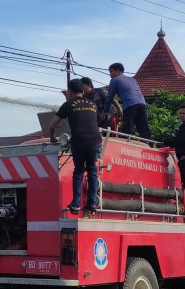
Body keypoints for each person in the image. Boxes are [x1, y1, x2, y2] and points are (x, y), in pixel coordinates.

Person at [48, 79, 102, 214]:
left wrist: (52, 138)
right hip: (95, 140)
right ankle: (92, 202)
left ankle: (76, 204)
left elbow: (52, 126)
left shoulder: (68, 104)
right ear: (83, 91)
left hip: (80, 140)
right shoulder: (92, 104)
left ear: (70, 91)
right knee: (92, 169)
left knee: (79, 171)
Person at [103, 63, 151, 139]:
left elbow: (109, 97)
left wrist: (105, 111)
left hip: (129, 105)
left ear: (117, 71)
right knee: (144, 129)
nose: (110, 74)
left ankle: (127, 144)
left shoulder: (114, 80)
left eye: (111, 71)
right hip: (142, 103)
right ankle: (149, 144)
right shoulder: (133, 80)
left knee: (127, 130)